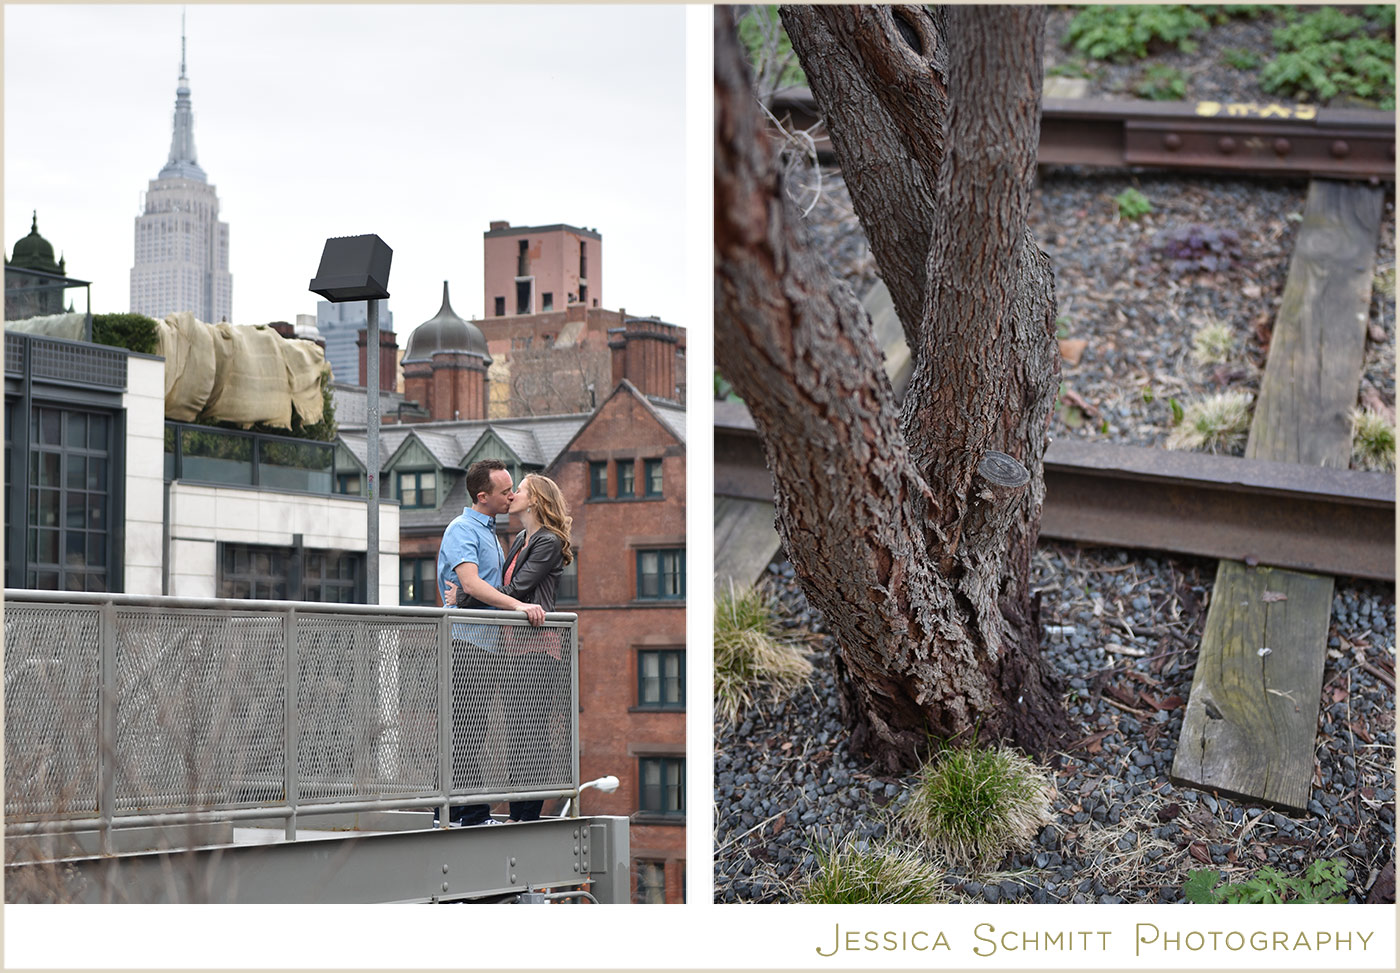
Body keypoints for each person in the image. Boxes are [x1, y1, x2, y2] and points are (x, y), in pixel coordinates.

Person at [446, 472, 573, 822]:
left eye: (520, 490)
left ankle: (526, 814)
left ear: (536, 501)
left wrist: (464, 597)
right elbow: (503, 587)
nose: (513, 494)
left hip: (538, 647)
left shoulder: (548, 541)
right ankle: (515, 810)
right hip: (512, 646)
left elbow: (516, 589)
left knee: (531, 730)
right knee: (515, 730)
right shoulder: (519, 538)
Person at [436, 459, 544, 827]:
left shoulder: (489, 532)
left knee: (473, 727)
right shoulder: (462, 529)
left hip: (485, 644)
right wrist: (519, 606)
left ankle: (460, 813)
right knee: (466, 728)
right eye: (504, 491)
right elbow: (470, 583)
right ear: (482, 496)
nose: (511, 495)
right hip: (465, 641)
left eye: (513, 489)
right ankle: (465, 814)